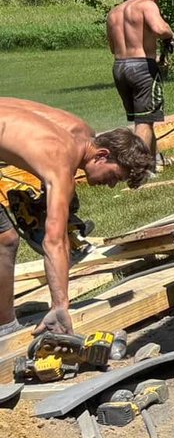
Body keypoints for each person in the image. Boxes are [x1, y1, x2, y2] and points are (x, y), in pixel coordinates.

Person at [0, 100, 154, 341]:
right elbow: (55, 242)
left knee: (4, 238)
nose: (112, 184)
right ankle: (6, 327)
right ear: (102, 155)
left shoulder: (80, 130)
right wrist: (60, 305)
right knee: (6, 240)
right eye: (114, 175)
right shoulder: (62, 163)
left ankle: (5, 323)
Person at [106, 0, 174, 156]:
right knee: (144, 122)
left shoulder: (113, 12)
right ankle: (139, 167)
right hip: (142, 69)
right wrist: (171, 35)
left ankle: (154, 161)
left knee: (144, 118)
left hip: (120, 67)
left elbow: (114, 48)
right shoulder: (147, 5)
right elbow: (160, 29)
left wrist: (156, 56)